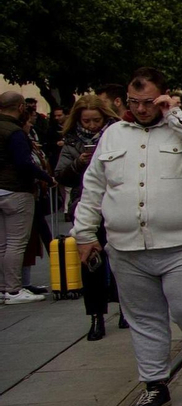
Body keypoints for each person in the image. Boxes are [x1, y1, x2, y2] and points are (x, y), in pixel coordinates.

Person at [73, 67, 182, 406]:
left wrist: (175, 115)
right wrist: (84, 234)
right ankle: (155, 383)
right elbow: (94, 186)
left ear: (163, 97)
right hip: (128, 246)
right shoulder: (114, 135)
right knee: (144, 318)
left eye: (148, 102)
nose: (141, 109)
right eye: (134, 102)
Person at [55, 94, 125, 336]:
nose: (92, 126)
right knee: (91, 261)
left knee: (121, 259)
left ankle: (126, 307)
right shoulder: (72, 140)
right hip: (85, 205)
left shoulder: (117, 135)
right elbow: (61, 175)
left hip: (116, 206)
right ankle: (96, 315)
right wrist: (79, 163)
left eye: (96, 120)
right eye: (87, 121)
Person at [1, 91, 56, 305]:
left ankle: (3, 288)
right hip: (16, 190)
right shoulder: (15, 132)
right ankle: (14, 290)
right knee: (16, 242)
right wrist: (46, 178)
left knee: (2, 244)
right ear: (21, 107)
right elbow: (24, 163)